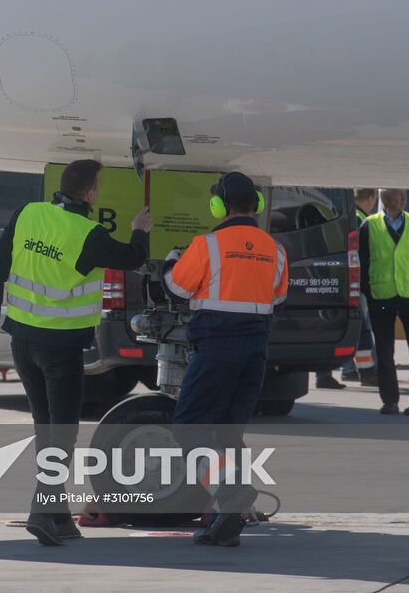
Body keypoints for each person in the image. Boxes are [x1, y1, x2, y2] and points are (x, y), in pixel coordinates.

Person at [0, 158, 152, 545]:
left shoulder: (29, 214)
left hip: (23, 342)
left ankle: (57, 517)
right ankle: (42, 510)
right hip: (60, 346)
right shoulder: (88, 233)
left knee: (48, 431)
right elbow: (133, 259)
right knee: (63, 434)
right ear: (89, 194)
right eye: (99, 188)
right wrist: (140, 231)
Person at [162, 172, 288, 548]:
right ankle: (225, 522)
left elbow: (176, 286)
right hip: (255, 351)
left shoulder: (207, 245)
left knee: (189, 429)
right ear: (257, 205)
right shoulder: (276, 250)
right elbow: (277, 297)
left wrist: (172, 260)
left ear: (219, 206)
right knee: (229, 435)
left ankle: (230, 495)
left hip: (217, 349)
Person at [359, 189, 409, 415]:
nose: (398, 200)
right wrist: (369, 291)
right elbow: (362, 261)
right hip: (382, 296)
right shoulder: (370, 225)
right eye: (394, 197)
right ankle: (390, 400)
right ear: (384, 200)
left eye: (399, 197)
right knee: (384, 350)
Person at [340, 188, 378, 386]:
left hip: (349, 280)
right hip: (357, 282)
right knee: (361, 329)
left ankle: (350, 369)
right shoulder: (361, 219)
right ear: (371, 199)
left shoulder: (353, 215)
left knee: (353, 327)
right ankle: (365, 372)